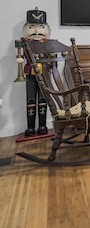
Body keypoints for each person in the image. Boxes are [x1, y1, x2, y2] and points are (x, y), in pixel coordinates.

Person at [20, 7, 51, 136]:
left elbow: (51, 58)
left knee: (43, 98)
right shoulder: (25, 44)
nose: (37, 31)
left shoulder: (48, 44)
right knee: (31, 99)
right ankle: (31, 127)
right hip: (31, 73)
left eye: (41, 27)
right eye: (32, 27)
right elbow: (21, 57)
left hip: (43, 72)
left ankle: (43, 125)